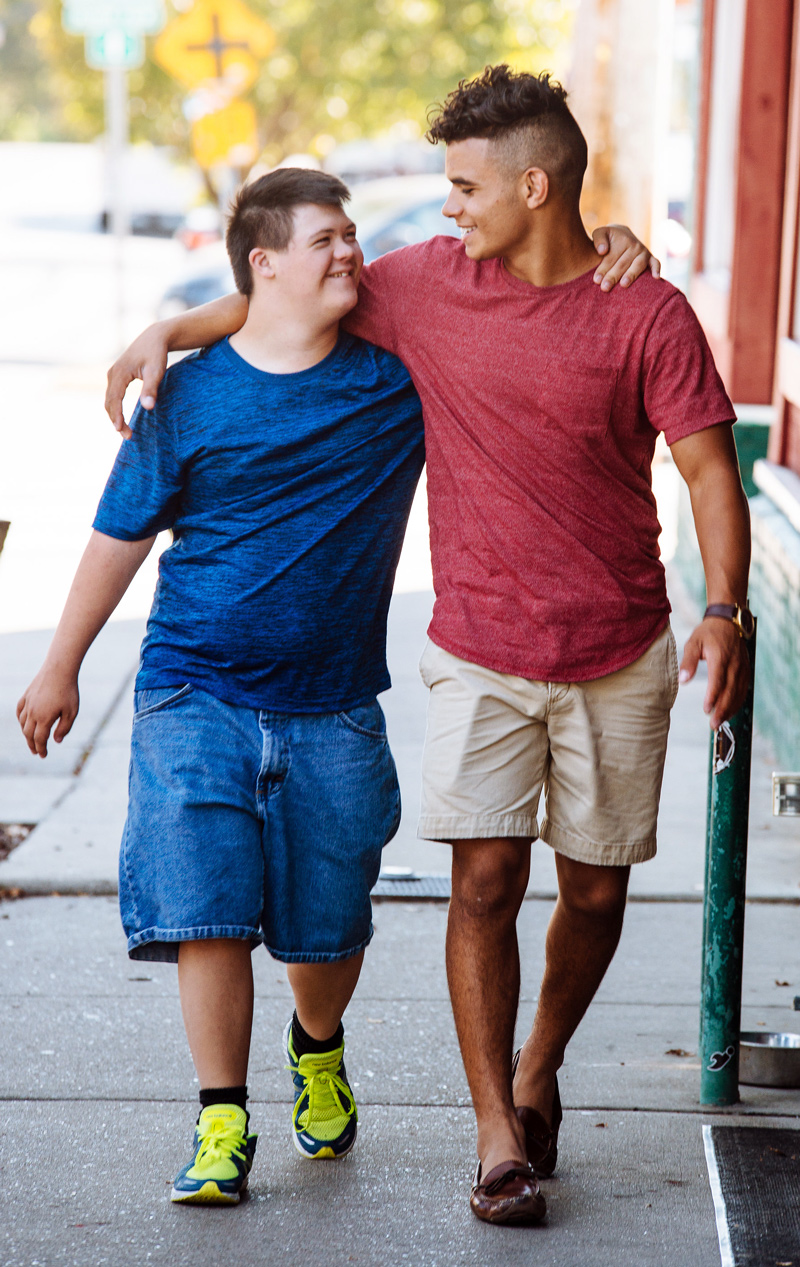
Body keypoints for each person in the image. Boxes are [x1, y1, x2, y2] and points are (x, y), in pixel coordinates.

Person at [104, 66, 749, 1229]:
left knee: (595, 892)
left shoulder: (640, 308)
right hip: (479, 648)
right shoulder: (427, 286)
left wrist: (724, 609)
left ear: (534, 185)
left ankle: (537, 1064)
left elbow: (707, 466)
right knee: (484, 880)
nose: (444, 207)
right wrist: (168, 326)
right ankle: (496, 1128)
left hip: (615, 645)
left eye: (461, 185)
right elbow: (284, 299)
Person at [17, 168, 427, 1205]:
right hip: (191, 684)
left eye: (350, 238)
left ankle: (318, 1045)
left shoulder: (392, 382)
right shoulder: (187, 395)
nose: (349, 252)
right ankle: (220, 1119)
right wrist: (59, 661)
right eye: (326, 239)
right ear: (265, 260)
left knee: (326, 926)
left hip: (331, 701)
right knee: (207, 909)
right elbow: (120, 535)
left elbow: (508, 282)